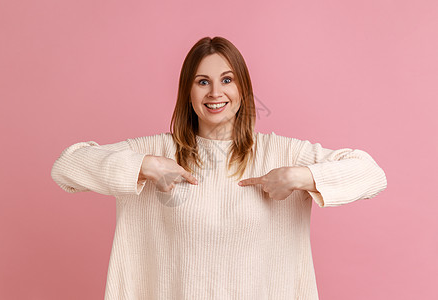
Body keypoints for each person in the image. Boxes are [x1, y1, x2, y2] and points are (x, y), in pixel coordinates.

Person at [51, 36, 387, 299]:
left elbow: (372, 175)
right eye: (202, 82)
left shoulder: (280, 152)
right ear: (188, 91)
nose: (215, 92)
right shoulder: (155, 151)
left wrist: (300, 177)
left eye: (227, 80)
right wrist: (146, 166)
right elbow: (66, 166)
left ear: (242, 88)